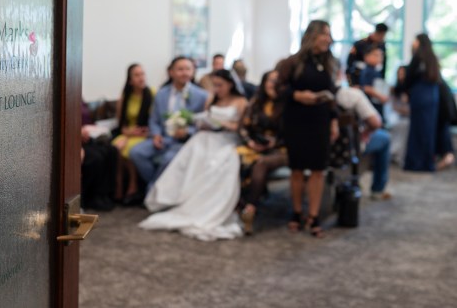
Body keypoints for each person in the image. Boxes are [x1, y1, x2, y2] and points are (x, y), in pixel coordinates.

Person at [139, 69, 248, 241]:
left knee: (218, 162)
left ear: (230, 84)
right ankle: (178, 198)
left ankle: (207, 204)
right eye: (214, 85)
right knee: (195, 154)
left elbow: (242, 128)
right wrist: (203, 123)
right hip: (206, 137)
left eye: (220, 85)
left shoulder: (241, 102)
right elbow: (202, 120)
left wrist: (224, 124)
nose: (217, 89)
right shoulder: (212, 99)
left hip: (227, 140)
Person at [276, 20, 339, 238]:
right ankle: (296, 212)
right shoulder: (292, 62)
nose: (329, 39)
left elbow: (333, 94)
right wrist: (297, 95)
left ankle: (313, 215)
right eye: (325, 34)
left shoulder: (330, 63)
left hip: (320, 118)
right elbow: (278, 88)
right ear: (313, 35)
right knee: (297, 168)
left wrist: (334, 120)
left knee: (318, 169)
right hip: (297, 118)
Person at [130, 56, 208, 189]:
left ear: (193, 71)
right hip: (162, 138)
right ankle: (156, 187)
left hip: (184, 142)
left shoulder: (202, 96)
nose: (184, 72)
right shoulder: (161, 93)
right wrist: (156, 135)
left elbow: (203, 125)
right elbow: (154, 119)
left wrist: (187, 131)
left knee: (168, 160)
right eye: (180, 69)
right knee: (136, 152)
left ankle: (152, 189)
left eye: (188, 69)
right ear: (171, 72)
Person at [236, 70, 287, 235]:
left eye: (277, 81)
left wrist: (273, 143)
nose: (273, 85)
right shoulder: (256, 103)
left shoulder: (287, 104)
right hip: (254, 146)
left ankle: (250, 209)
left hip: (281, 150)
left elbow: (292, 132)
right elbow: (243, 127)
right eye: (270, 81)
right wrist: (251, 142)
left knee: (261, 164)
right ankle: (235, 204)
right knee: (231, 159)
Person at [336, 86, 392, 200]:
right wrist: (365, 133)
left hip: (322, 145)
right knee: (385, 138)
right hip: (349, 146)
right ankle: (378, 189)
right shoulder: (352, 95)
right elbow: (376, 123)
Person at [111, 64, 154, 205]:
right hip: (129, 133)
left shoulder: (152, 94)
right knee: (116, 146)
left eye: (142, 74)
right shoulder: (125, 97)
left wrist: (139, 133)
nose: (141, 77)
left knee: (129, 148)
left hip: (144, 134)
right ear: (130, 80)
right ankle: (118, 186)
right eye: (137, 75)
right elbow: (121, 125)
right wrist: (128, 133)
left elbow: (154, 121)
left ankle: (132, 185)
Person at [403, 33, 441, 172]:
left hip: (420, 96)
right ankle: (427, 164)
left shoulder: (418, 57)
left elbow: (408, 77)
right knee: (428, 132)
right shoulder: (433, 58)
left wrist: (404, 91)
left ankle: (414, 164)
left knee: (417, 131)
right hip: (432, 97)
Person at [81, 101, 118, 211]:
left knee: (111, 151)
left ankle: (105, 194)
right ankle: (92, 196)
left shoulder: (80, 100)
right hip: (74, 140)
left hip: (87, 136)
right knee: (96, 157)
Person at [359, 45, 389, 119]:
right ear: (366, 57)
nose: (379, 58)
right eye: (375, 55)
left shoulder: (376, 71)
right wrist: (381, 96)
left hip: (377, 105)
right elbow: (366, 88)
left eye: (380, 55)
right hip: (371, 105)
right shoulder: (368, 71)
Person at [389, 66, 410, 166]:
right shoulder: (395, 89)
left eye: (403, 74)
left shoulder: (410, 89)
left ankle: (398, 155)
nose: (401, 76)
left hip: (406, 117)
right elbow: (393, 106)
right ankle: (393, 152)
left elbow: (408, 110)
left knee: (405, 125)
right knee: (396, 124)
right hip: (396, 115)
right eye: (399, 74)